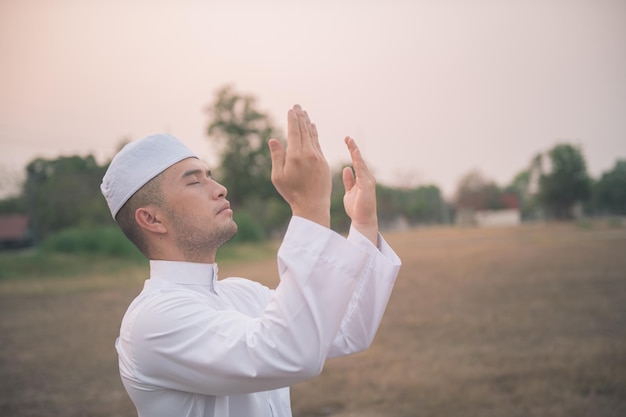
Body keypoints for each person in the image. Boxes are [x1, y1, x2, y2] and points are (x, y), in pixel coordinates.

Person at [100, 104, 401, 417]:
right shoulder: (153, 321)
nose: (219, 189)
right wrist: (309, 206)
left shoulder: (243, 293)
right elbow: (289, 351)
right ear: (151, 219)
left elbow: (345, 330)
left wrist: (364, 225)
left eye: (210, 176)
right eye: (194, 181)